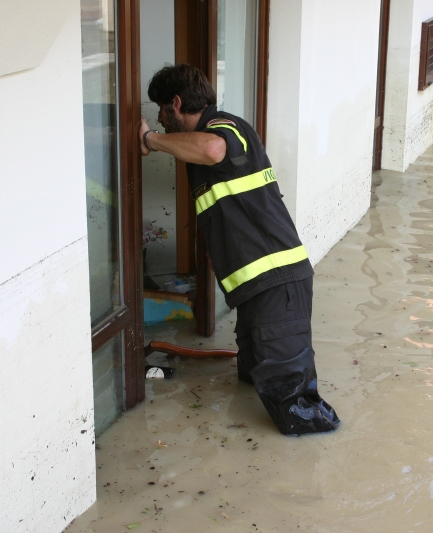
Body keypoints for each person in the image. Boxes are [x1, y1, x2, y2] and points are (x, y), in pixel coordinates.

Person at [138, 64, 339, 436]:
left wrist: (150, 140)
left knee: (298, 410)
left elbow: (213, 149)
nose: (161, 120)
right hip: (255, 287)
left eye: (162, 112)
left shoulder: (224, 128)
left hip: (276, 282)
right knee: (251, 375)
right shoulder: (205, 142)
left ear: (176, 104)